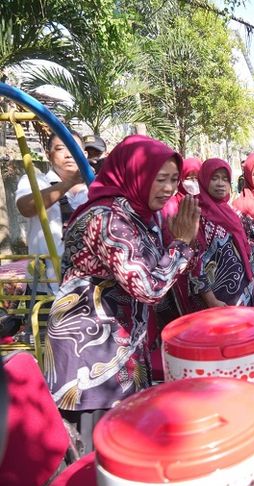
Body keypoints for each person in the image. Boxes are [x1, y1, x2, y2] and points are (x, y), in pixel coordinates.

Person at [44, 135, 200, 451]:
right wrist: (181, 244)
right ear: (135, 174)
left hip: (117, 348)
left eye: (174, 180)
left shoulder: (134, 214)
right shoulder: (107, 219)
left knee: (129, 443)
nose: (169, 188)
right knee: (101, 453)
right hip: (89, 358)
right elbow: (148, 287)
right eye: (160, 179)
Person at [15, 130, 88, 294]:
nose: (69, 155)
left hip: (89, 287)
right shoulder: (35, 182)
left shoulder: (96, 187)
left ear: (84, 155)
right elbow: (26, 207)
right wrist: (69, 183)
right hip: (46, 287)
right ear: (49, 155)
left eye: (74, 148)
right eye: (61, 148)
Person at [190, 158, 254, 309]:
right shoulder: (196, 212)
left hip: (240, 290)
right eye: (214, 178)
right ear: (204, 179)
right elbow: (193, 260)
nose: (220, 184)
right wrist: (210, 299)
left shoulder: (229, 210)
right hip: (215, 298)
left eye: (225, 179)